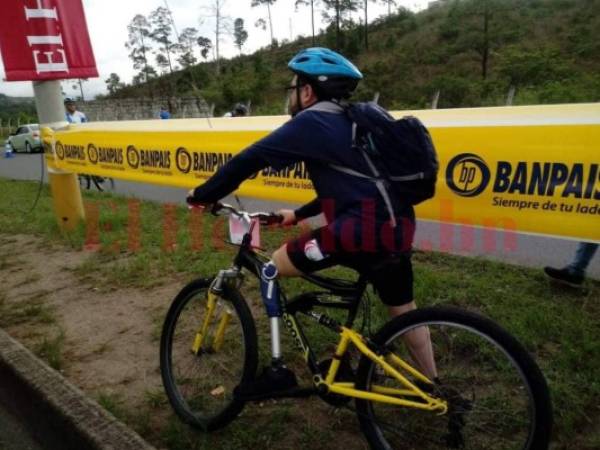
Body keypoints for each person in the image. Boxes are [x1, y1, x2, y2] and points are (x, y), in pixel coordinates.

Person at [187, 47, 437, 398]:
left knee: (272, 268)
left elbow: (250, 158)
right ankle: (436, 388)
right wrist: (299, 214)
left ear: (307, 91)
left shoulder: (311, 121)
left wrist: (203, 194)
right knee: (405, 314)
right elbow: (361, 184)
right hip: (396, 229)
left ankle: (277, 371)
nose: (291, 96)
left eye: (293, 88)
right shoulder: (358, 119)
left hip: (355, 232)